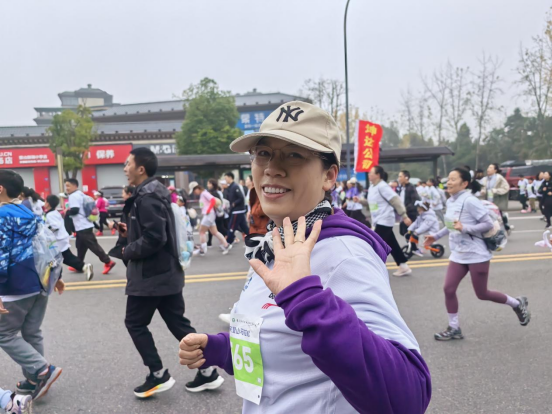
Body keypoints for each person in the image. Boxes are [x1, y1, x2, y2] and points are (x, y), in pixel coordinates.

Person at [178, 101, 431, 414]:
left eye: (294, 154)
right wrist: (221, 349)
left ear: (329, 176)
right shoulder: (276, 242)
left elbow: (409, 397)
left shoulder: (345, 255)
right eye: (263, 153)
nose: (272, 168)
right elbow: (283, 348)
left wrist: (307, 300)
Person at [118, 147, 224, 397]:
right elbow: (156, 232)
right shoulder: (156, 193)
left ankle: (158, 375)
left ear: (140, 169)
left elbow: (155, 237)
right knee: (178, 323)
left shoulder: (147, 197)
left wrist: (128, 249)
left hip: (152, 276)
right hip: (167, 273)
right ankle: (207, 372)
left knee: (135, 322)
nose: (124, 168)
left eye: (127, 164)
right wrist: (130, 233)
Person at [424, 168, 531, 341]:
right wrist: (435, 236)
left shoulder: (470, 201)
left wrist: (465, 228)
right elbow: (451, 225)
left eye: (453, 179)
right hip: (458, 253)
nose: (448, 182)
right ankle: (454, 328)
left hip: (476, 253)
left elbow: (487, 224)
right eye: (448, 179)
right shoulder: (451, 201)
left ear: (464, 183)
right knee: (448, 289)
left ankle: (517, 303)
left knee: (482, 293)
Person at [0, 170, 63, 402]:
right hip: (39, 281)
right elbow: (47, 245)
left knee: (3, 333)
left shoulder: (1, 215)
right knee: (31, 332)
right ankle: (35, 379)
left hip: (14, 285)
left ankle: (42, 370)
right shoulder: (30, 212)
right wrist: (56, 275)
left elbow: (1, 254)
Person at [368, 166, 413, 277]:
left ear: (378, 175)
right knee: (392, 243)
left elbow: (395, 201)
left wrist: (404, 216)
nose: (369, 174)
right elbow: (373, 203)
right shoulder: (372, 187)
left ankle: (373, 269)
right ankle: (403, 266)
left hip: (385, 219)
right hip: (378, 220)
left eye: (371, 173)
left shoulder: (383, 186)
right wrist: (360, 201)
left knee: (375, 244)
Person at [64, 179, 116, 275]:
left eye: (68, 186)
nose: (66, 188)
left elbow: (75, 210)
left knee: (93, 246)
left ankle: (108, 261)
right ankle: (79, 265)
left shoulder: (73, 196)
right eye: (66, 186)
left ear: (75, 186)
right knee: (80, 246)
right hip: (84, 225)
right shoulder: (80, 194)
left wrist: (66, 212)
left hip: (82, 226)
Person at [44, 195, 93, 281]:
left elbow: (55, 226)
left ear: (48, 203)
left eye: (45, 201)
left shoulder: (50, 215)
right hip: (61, 238)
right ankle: (84, 267)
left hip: (58, 240)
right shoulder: (54, 212)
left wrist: (45, 229)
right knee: (66, 257)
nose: (44, 203)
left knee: (57, 258)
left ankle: (55, 278)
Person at [194, 183, 231, 256]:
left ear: (198, 189)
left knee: (202, 231)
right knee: (214, 232)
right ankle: (226, 244)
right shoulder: (203, 194)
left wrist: (208, 209)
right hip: (209, 214)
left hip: (208, 214)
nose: (195, 193)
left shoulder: (204, 193)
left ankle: (203, 249)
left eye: (195, 191)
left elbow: (213, 200)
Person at [107, 186, 134, 261]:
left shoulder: (131, 207)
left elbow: (127, 225)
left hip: (128, 243)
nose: (122, 196)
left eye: (123, 193)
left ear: (129, 194)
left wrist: (114, 225)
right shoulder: (130, 206)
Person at [224, 172, 250, 244]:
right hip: (236, 210)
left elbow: (241, 197)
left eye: (226, 178)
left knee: (231, 227)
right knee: (244, 227)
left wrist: (234, 203)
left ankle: (228, 242)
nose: (225, 180)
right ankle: (253, 238)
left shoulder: (235, 186)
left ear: (230, 177)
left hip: (237, 210)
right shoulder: (230, 187)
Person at [397, 170, 421, 236]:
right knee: (403, 232)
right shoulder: (401, 188)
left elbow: (415, 201)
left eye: (400, 176)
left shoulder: (411, 188)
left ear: (406, 177)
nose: (399, 179)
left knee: (409, 234)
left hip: (410, 215)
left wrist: (405, 209)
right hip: (404, 214)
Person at [207, 179, 228, 248]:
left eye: (208, 183)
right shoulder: (216, 192)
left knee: (219, 228)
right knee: (215, 228)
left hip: (216, 214)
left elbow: (216, 203)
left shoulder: (213, 193)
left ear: (212, 184)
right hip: (217, 213)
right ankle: (209, 242)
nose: (207, 185)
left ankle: (231, 237)